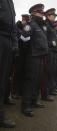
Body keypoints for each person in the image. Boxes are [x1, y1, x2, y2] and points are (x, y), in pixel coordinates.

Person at [20, 3, 48, 117]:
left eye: (42, 13)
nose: (42, 15)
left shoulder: (40, 27)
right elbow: (23, 38)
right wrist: (29, 52)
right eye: (40, 13)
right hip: (33, 56)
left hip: (40, 56)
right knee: (30, 81)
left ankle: (33, 101)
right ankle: (26, 106)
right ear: (33, 13)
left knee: (37, 80)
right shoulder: (31, 25)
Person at [0, 0, 17, 128]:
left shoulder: (10, 2)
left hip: (7, 41)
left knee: (3, 81)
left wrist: (14, 44)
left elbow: (14, 28)